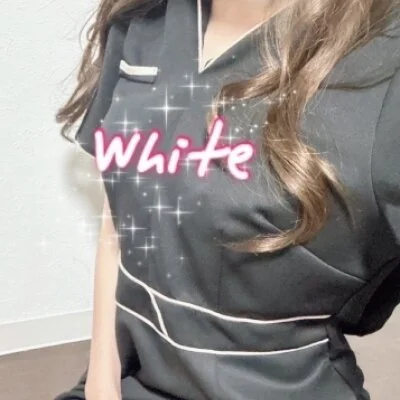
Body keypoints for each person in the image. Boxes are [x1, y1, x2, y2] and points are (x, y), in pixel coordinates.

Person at [54, 0, 400, 399]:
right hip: (130, 379)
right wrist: (101, 381)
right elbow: (120, 209)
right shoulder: (142, 20)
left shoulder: (383, 58)